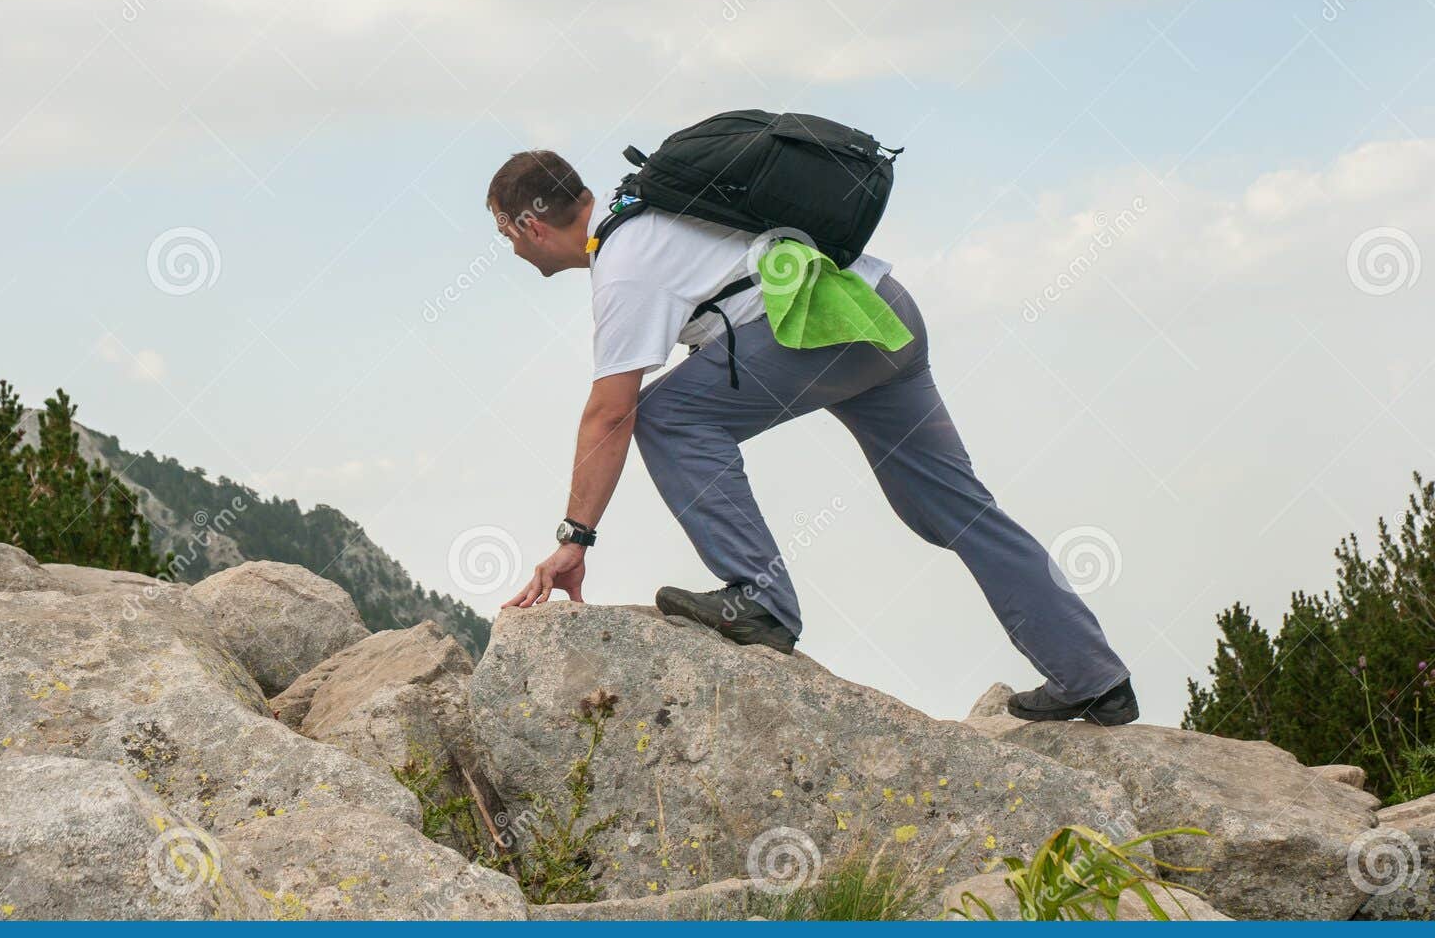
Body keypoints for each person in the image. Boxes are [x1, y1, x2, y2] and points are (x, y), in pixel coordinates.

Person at [486, 149, 1137, 725]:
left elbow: (611, 414)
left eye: (504, 233)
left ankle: (759, 597)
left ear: (530, 226)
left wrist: (574, 538)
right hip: (880, 309)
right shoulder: (646, 212)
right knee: (956, 509)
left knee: (665, 415)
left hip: (827, 328)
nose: (509, 249)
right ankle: (1093, 677)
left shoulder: (624, 263)